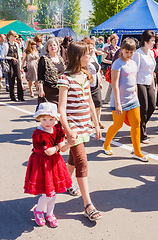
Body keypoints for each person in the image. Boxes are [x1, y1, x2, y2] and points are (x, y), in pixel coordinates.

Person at [57, 41, 102, 221]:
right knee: (82, 161)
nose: (90, 57)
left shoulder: (85, 75)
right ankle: (88, 205)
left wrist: (96, 123)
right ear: (77, 57)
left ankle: (62, 183)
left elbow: (90, 101)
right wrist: (68, 130)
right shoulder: (64, 78)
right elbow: (61, 109)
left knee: (73, 159)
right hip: (73, 125)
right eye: (87, 54)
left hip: (85, 125)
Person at [24, 102, 73, 227]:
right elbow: (49, 151)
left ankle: (50, 213)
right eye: (44, 119)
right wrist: (58, 146)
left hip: (54, 163)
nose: (47, 122)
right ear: (39, 118)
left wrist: (70, 143)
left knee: (53, 191)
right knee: (47, 192)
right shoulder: (38, 133)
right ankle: (38, 210)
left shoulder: (57, 129)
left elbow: (62, 149)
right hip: (42, 164)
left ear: (56, 119)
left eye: (51, 119)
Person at [103, 38, 149, 162]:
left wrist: (137, 96)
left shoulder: (133, 63)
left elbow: (134, 81)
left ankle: (137, 151)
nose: (129, 54)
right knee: (117, 125)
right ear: (122, 50)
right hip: (120, 100)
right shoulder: (117, 64)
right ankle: (106, 144)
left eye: (131, 52)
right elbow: (115, 84)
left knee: (137, 124)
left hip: (133, 99)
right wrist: (118, 103)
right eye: (127, 52)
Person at [132, 30, 156, 144]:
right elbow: (134, 71)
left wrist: (153, 84)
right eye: (152, 41)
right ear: (145, 41)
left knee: (152, 106)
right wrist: (134, 88)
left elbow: (152, 71)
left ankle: (140, 125)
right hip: (139, 82)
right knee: (144, 108)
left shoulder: (151, 53)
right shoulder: (138, 54)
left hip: (149, 82)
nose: (154, 43)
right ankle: (142, 133)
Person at [82, 37, 105, 129]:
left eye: (92, 47)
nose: (92, 49)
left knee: (98, 103)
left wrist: (100, 81)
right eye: (90, 48)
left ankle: (98, 120)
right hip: (87, 84)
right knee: (87, 104)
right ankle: (89, 121)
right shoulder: (84, 58)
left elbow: (97, 70)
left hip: (96, 83)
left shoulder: (94, 57)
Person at [37, 38, 66, 106]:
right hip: (48, 90)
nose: (53, 47)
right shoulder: (43, 59)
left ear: (57, 47)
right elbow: (40, 76)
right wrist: (41, 89)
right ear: (47, 48)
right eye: (50, 45)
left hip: (60, 90)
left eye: (54, 45)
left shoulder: (60, 59)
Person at [1, 30, 24, 101]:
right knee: (11, 79)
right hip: (9, 63)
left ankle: (21, 96)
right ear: (10, 37)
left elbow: (19, 56)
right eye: (15, 36)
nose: (16, 38)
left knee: (19, 79)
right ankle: (12, 96)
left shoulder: (16, 44)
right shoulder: (6, 45)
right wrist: (11, 58)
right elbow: (3, 56)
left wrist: (20, 67)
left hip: (16, 62)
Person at [102, 33, 120, 104]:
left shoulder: (119, 48)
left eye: (117, 40)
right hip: (111, 68)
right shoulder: (108, 48)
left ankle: (108, 99)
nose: (116, 41)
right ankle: (108, 99)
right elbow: (103, 59)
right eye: (114, 40)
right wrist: (112, 62)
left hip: (118, 68)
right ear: (111, 40)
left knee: (113, 84)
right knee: (112, 83)